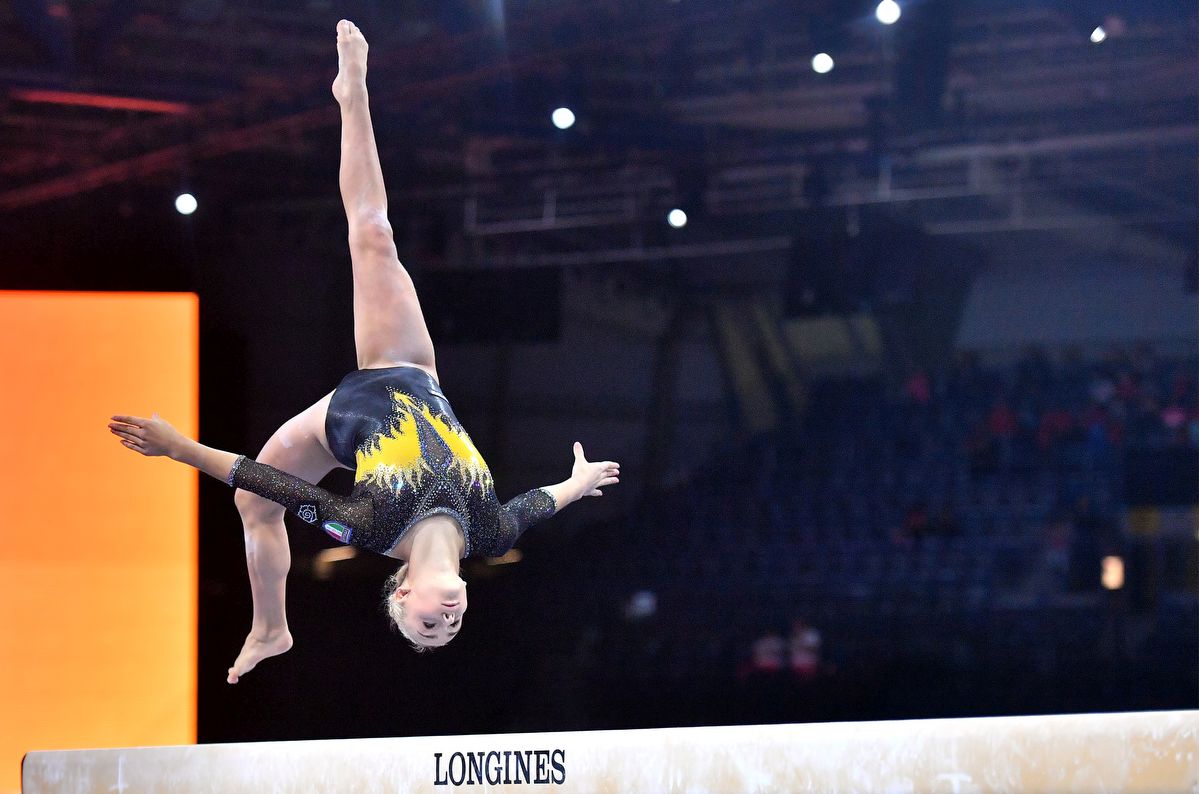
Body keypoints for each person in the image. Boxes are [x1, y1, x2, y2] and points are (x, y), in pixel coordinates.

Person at [108, 20, 619, 682]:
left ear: (401, 593)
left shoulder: (370, 527)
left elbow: (266, 478)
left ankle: (270, 627)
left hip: (337, 416)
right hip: (408, 367)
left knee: (252, 502)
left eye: (427, 623)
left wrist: (177, 447)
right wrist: (578, 483)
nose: (448, 617)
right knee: (378, 235)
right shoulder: (489, 536)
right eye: (452, 627)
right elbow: (541, 503)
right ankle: (354, 93)